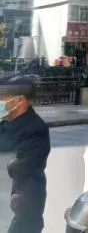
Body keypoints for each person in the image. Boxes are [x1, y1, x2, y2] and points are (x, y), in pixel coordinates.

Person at [0, 75, 51, 233]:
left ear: (19, 100)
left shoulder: (36, 130)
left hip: (23, 206)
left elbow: (17, 168)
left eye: (1, 98)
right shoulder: (4, 122)